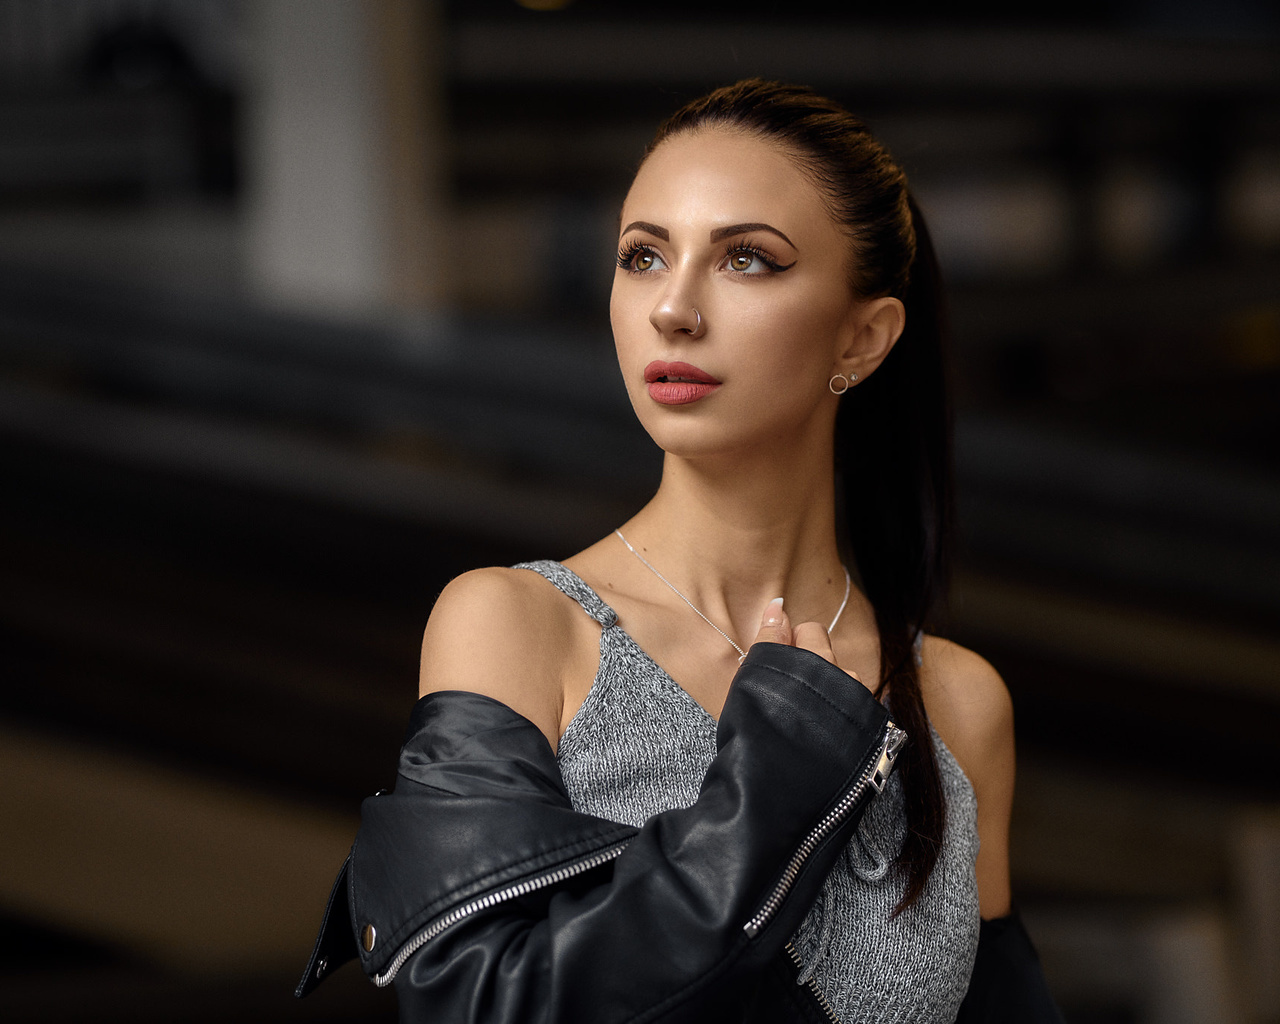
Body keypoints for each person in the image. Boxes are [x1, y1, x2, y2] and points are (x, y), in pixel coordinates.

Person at [297, 78, 1063, 1022]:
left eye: (746, 261)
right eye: (643, 256)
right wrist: (777, 773)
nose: (674, 309)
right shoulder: (520, 626)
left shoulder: (957, 704)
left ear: (864, 338)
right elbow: (478, 1004)